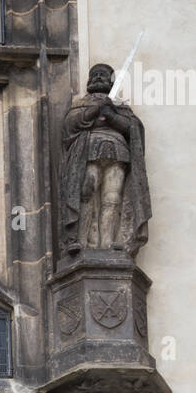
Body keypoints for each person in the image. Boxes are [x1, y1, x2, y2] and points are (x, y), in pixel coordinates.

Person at [58, 62, 151, 257]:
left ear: (111, 81)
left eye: (103, 75)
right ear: (89, 81)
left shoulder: (119, 105)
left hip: (118, 152)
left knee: (112, 198)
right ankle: (83, 242)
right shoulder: (81, 103)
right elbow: (69, 126)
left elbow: (134, 130)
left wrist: (111, 115)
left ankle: (109, 243)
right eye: (95, 74)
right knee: (86, 193)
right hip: (87, 151)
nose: (99, 77)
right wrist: (94, 110)